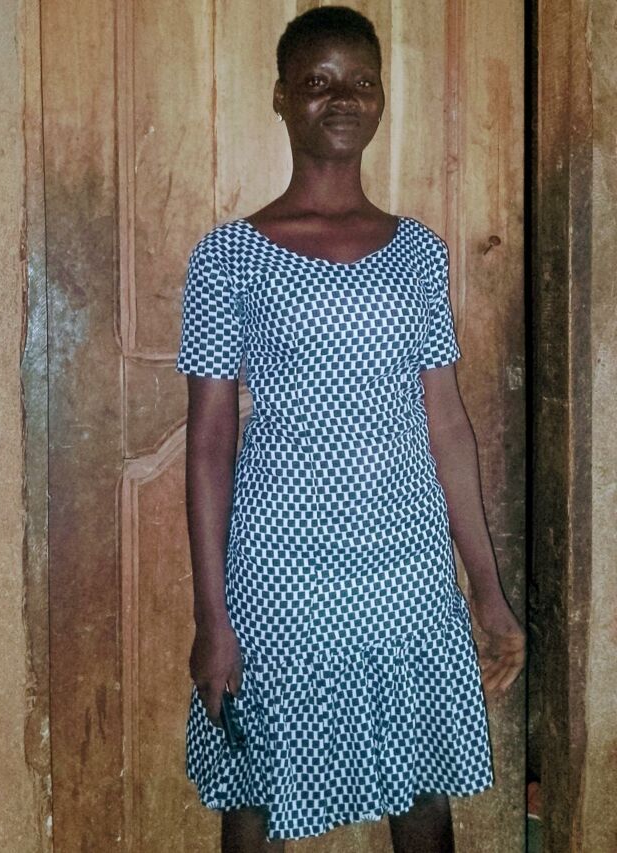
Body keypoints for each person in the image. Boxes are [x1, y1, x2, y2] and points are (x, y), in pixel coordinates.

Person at [175, 7, 525, 852]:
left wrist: (487, 589)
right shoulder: (228, 256)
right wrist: (213, 616)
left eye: (361, 82)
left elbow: (448, 424)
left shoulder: (418, 252)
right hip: (280, 568)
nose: (342, 99)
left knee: (424, 791)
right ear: (280, 97)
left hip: (406, 562)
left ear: (381, 98)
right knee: (257, 791)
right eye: (317, 82)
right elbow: (211, 441)